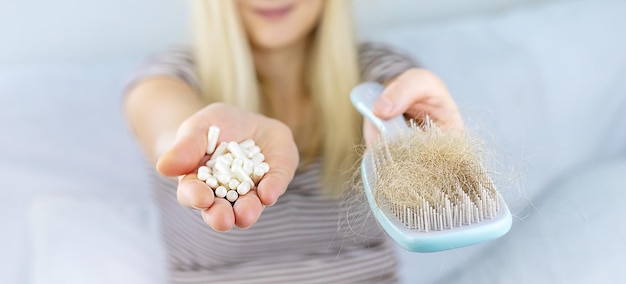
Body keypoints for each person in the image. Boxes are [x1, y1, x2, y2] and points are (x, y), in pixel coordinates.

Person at [124, 0, 463, 283]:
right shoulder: (166, 80)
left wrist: (427, 139)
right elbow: (167, 126)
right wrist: (192, 137)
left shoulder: (379, 74)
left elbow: (411, 105)